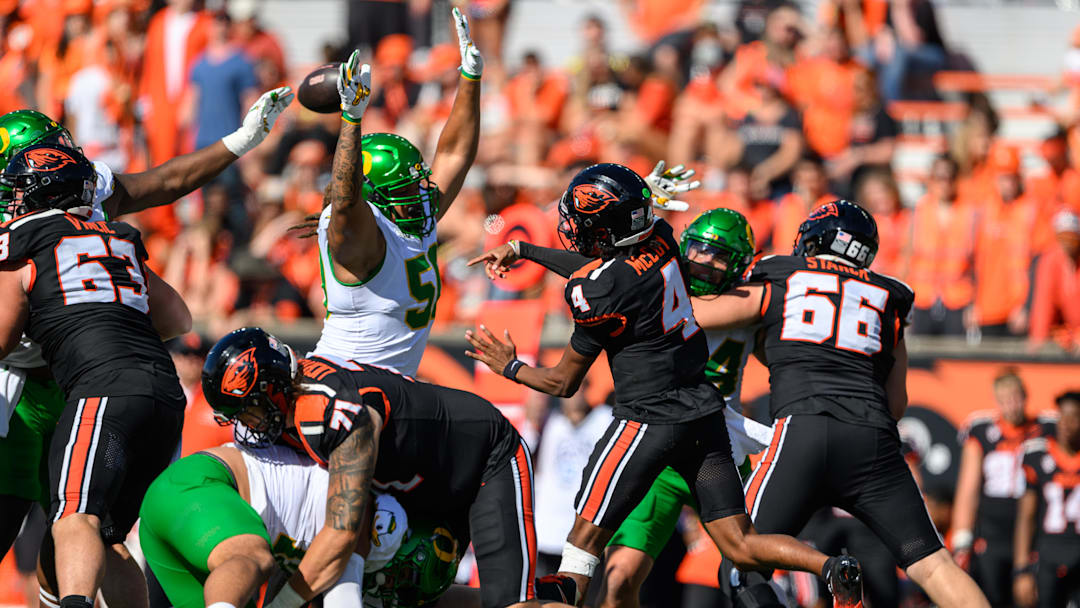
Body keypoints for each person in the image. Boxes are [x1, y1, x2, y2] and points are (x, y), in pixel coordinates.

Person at [464, 164, 858, 607]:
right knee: (740, 544)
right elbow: (603, 268)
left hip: (649, 421)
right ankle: (830, 566)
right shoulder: (662, 240)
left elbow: (562, 381)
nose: (574, 228)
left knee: (582, 545)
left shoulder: (599, 294)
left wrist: (510, 366)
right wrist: (525, 249)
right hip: (705, 420)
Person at [0, 83, 292, 559]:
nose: (65, 156)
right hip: (20, 383)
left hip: (77, 375)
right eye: (45, 153)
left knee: (78, 533)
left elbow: (163, 183)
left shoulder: (78, 187)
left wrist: (239, 142)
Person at [689, 199, 990, 607]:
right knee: (933, 564)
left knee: (742, 560)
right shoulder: (890, 297)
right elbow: (897, 402)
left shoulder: (782, 273)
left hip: (804, 430)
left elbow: (696, 314)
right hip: (873, 441)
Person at [200, 327, 573, 608]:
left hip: (482, 461)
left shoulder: (327, 413)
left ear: (275, 388)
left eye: (249, 411)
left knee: (511, 605)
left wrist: (284, 606)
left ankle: (548, 594)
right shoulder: (294, 416)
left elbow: (343, 531)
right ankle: (549, 593)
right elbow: (347, 522)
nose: (246, 425)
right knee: (401, 594)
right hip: (413, 485)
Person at [0, 144, 192, 608]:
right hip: (164, 394)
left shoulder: (24, 238)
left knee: (73, 517)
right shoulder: (118, 237)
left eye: (19, 190)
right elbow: (177, 318)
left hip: (101, 391)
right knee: (107, 536)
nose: (11, 200)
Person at [595, 208, 776, 608]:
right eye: (698, 250)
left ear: (739, 264)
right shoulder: (659, 288)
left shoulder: (744, 305)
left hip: (717, 450)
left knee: (749, 574)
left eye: (720, 255)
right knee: (618, 578)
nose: (705, 262)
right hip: (655, 448)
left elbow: (786, 361)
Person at [302, 8, 482, 377]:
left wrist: (470, 78)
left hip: (391, 387)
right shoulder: (357, 232)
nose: (421, 195)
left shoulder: (413, 213)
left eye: (418, 183)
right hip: (343, 384)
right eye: (406, 188)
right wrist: (351, 120)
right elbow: (346, 199)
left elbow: (454, 153)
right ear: (373, 195)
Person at [139, 441, 447, 608]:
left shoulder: (373, 530)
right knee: (254, 558)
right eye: (403, 575)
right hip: (200, 487)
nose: (395, 587)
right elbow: (344, 600)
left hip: (178, 516)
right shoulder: (362, 525)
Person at [952, 369, 1056, 606]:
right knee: (992, 596)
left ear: (1026, 396)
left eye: (1016, 397)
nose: (1012, 405)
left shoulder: (1046, 429)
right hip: (992, 529)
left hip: (1030, 526)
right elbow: (968, 487)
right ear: (996, 401)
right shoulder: (981, 431)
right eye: (1005, 399)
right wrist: (962, 537)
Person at [1013, 391, 1080, 608]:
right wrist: (1022, 568)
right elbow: (1026, 515)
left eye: (1074, 417)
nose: (1066, 423)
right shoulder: (1039, 454)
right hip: (1049, 552)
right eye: (1063, 416)